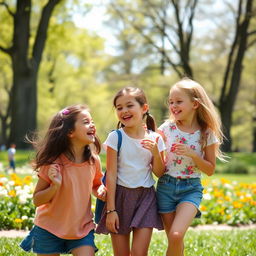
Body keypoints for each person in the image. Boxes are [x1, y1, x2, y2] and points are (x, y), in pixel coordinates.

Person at [20, 104, 106, 256]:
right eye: (85, 122)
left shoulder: (94, 161)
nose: (92, 124)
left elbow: (96, 184)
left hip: (82, 229)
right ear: (70, 132)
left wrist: (99, 190)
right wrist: (54, 186)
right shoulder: (53, 163)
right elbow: (37, 200)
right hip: (49, 229)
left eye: (92, 121)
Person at [156, 77, 225, 256]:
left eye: (179, 101)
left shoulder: (206, 133)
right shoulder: (166, 129)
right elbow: (157, 162)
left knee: (177, 235)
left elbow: (210, 170)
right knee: (174, 240)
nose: (173, 106)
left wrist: (193, 154)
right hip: (166, 187)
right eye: (171, 102)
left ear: (195, 104)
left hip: (190, 188)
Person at [96, 87, 166, 256]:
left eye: (129, 105)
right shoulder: (115, 137)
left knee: (139, 253)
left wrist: (156, 153)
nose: (124, 111)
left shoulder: (156, 138)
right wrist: (111, 211)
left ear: (144, 108)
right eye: (119, 108)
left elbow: (159, 172)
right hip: (119, 198)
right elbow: (111, 175)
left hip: (146, 198)